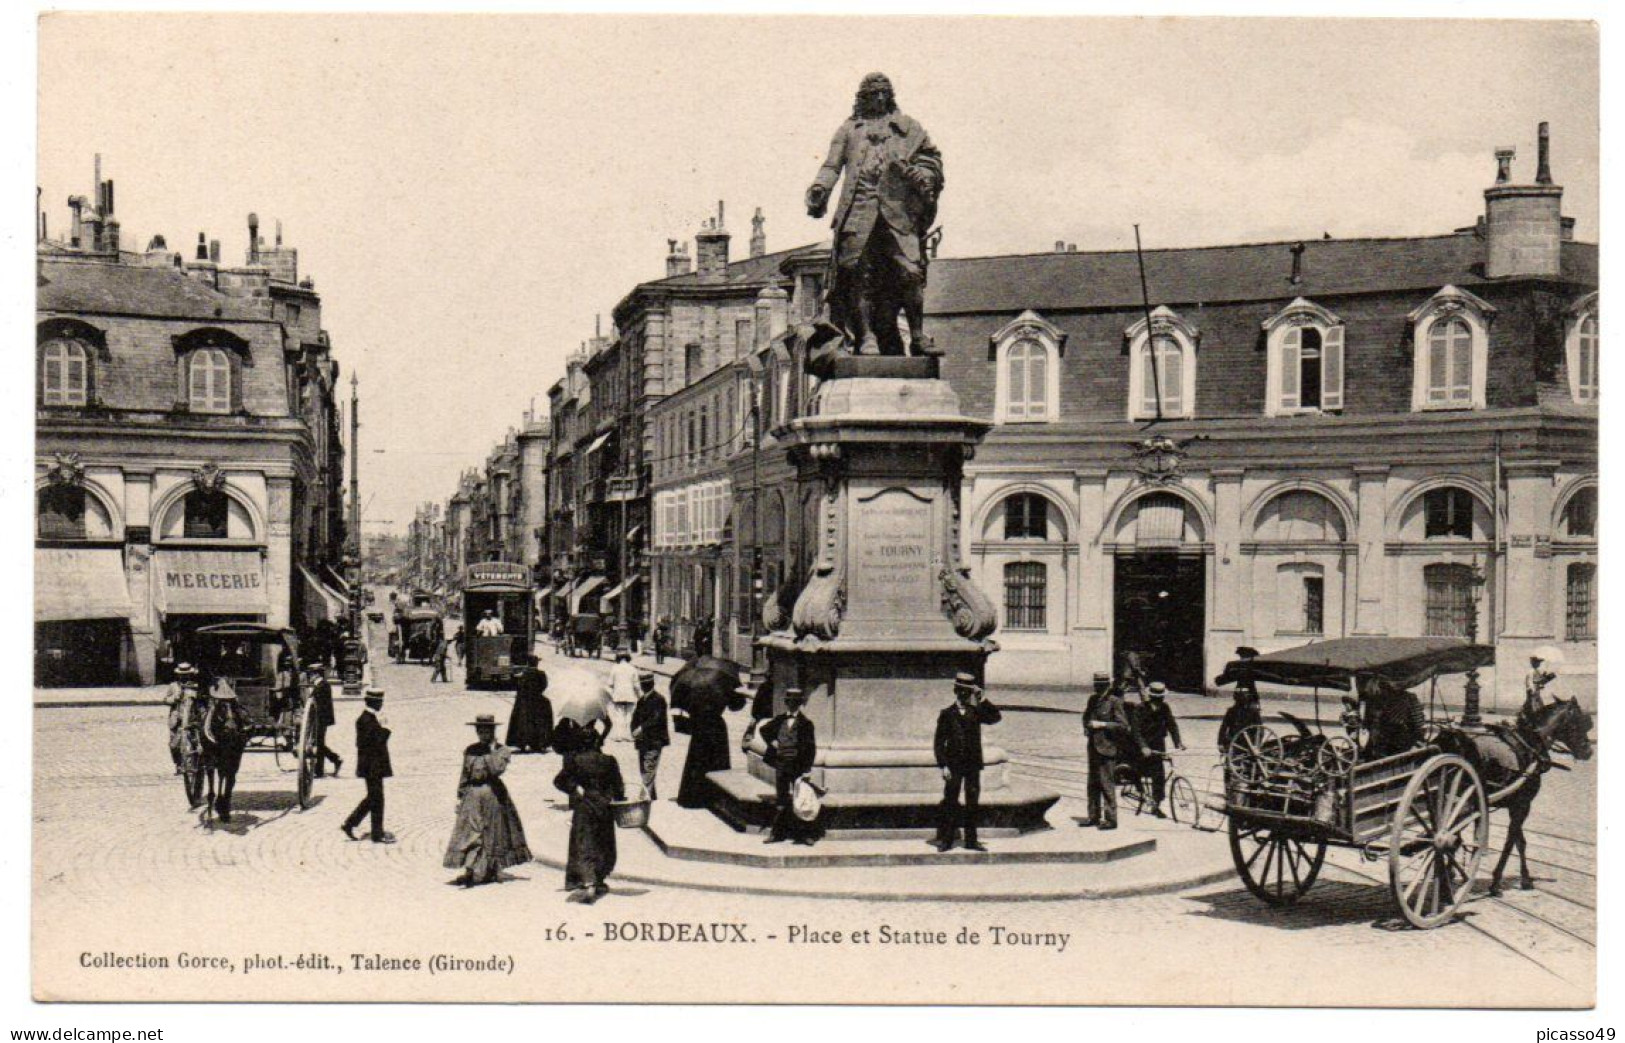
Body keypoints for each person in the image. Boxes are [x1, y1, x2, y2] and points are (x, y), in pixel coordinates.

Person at [804, 72, 944, 357]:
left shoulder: (908, 128)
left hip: (897, 213)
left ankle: (917, 337)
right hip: (858, 211)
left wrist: (924, 174)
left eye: (884, 93)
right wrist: (820, 189)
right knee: (857, 275)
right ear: (863, 98)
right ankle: (866, 337)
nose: (880, 98)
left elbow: (931, 159)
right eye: (873, 94)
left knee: (911, 272)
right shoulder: (849, 131)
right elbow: (831, 166)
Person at [443, 715, 531, 887]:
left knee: (493, 831)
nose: (483, 734)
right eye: (480, 731)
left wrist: (491, 751)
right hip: (473, 795)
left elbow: (496, 769)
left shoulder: (502, 750)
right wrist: (460, 795)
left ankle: (493, 869)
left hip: (493, 794)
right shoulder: (470, 750)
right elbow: (465, 774)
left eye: (487, 731)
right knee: (471, 832)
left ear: (493, 732)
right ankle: (470, 870)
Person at [553, 726, 624, 903]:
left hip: (585, 806)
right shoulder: (609, 760)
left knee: (584, 843)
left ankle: (588, 882)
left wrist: (574, 790)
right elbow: (619, 787)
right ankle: (599, 879)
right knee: (603, 843)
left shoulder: (575, 761)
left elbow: (559, 781)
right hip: (605, 808)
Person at [932, 672, 1002, 852]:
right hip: (953, 766)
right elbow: (939, 743)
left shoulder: (976, 712)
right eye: (961, 691)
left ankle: (971, 840)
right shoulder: (947, 714)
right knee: (951, 802)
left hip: (972, 766)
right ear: (955, 691)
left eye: (967, 692)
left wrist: (983, 699)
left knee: (973, 803)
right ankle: (946, 840)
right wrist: (943, 765)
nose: (964, 695)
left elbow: (995, 717)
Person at [1080, 671, 1138, 831]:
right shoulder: (1093, 700)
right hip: (1093, 746)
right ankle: (1093, 816)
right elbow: (1086, 717)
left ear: (1107, 685)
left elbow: (1123, 726)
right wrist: (1086, 727)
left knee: (1106, 784)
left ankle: (1111, 819)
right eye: (1096, 683)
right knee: (1092, 784)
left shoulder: (1114, 701)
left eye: (1100, 684)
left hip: (1107, 748)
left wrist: (1102, 725)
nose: (1096, 686)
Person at [760, 688, 819, 845]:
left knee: (801, 799)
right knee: (781, 799)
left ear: (800, 704)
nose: (792, 705)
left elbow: (811, 748)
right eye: (789, 702)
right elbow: (763, 730)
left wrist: (807, 769)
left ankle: (805, 835)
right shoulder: (779, 720)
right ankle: (776, 833)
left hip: (798, 766)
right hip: (781, 765)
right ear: (786, 703)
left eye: (795, 702)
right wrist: (772, 742)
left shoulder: (806, 724)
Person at [342, 688, 396, 844]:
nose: (382, 704)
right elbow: (376, 742)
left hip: (372, 766)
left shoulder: (368, 718)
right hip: (372, 766)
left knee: (374, 798)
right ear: (374, 702)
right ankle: (372, 832)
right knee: (376, 799)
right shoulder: (366, 720)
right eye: (380, 701)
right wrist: (386, 729)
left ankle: (352, 824)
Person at [1132, 682, 1185, 817]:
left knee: (1159, 776)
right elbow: (1136, 730)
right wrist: (1143, 746)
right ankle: (1140, 791)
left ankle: (1156, 805)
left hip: (1158, 745)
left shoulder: (1165, 708)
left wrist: (1178, 742)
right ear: (1151, 696)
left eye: (1161, 697)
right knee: (1138, 771)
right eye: (1157, 697)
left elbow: (1172, 725)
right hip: (1142, 746)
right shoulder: (1140, 708)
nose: (1160, 699)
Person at [1360, 679, 1426, 760]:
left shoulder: (1408, 698)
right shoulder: (1373, 700)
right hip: (1388, 741)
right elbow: (1419, 723)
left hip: (1393, 741)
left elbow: (1418, 723)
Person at [630, 672, 670, 799]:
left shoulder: (659, 699)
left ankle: (643, 798)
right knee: (644, 770)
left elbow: (656, 719)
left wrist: (641, 728)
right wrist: (633, 730)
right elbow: (634, 718)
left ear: (651, 684)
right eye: (643, 684)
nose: (643, 686)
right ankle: (651, 797)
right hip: (642, 741)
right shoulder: (641, 700)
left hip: (654, 740)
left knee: (648, 768)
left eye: (645, 684)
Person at [506, 654, 555, 754]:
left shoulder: (524, 675)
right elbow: (544, 686)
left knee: (521, 715)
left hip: (525, 701)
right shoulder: (541, 674)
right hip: (538, 699)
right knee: (544, 714)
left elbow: (520, 688)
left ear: (528, 663)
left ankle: (522, 743)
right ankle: (541, 742)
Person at [306, 660, 342, 778]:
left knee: (319, 743)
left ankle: (322, 769)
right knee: (319, 743)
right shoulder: (319, 685)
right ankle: (333, 760)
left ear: (316, 674)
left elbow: (321, 705)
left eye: (311, 674)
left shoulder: (323, 686)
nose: (310, 677)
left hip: (321, 719)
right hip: (319, 719)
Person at [164, 662, 201, 774]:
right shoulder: (173, 686)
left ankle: (191, 764)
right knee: (174, 744)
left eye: (187, 674)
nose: (184, 676)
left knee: (192, 742)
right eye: (182, 674)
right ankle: (178, 764)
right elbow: (165, 699)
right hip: (177, 718)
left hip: (191, 718)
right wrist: (174, 698)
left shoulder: (195, 686)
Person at [607, 651, 640, 741]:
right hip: (630, 695)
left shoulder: (614, 668)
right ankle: (628, 735)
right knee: (629, 715)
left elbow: (610, 683)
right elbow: (636, 685)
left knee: (619, 715)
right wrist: (639, 695)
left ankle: (619, 735)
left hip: (618, 695)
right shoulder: (633, 669)